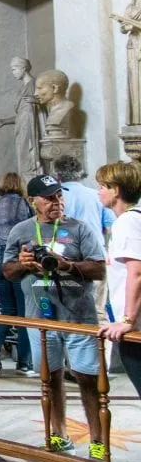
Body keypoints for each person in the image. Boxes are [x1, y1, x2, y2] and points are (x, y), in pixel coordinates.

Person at [2, 174, 107, 459]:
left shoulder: (79, 228)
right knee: (51, 379)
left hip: (78, 319)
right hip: (41, 319)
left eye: (59, 196)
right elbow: (7, 272)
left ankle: (98, 440)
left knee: (88, 379)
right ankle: (58, 434)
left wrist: (67, 265)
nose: (56, 203)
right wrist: (22, 265)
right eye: (49, 198)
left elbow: (99, 269)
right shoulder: (21, 231)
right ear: (32, 201)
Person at [0, 173, 35, 375]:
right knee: (24, 312)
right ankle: (24, 362)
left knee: (5, 309)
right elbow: (32, 232)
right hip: (17, 260)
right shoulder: (24, 206)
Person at [96, 161, 141, 396]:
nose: (99, 191)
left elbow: (137, 272)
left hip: (135, 326)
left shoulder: (127, 221)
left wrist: (127, 320)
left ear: (117, 189)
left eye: (103, 186)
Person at [54, 155, 116, 327]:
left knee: (65, 312)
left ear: (57, 175)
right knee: (98, 311)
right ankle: (104, 352)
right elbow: (111, 228)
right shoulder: (96, 196)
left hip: (63, 259)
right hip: (95, 258)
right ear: (81, 174)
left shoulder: (56, 197)